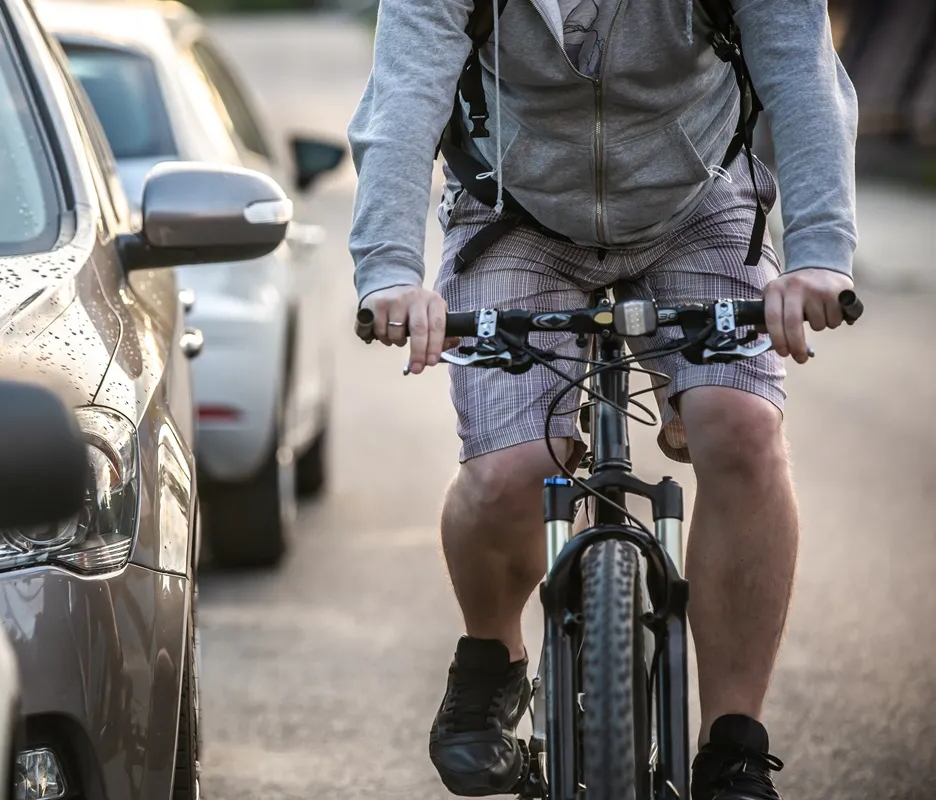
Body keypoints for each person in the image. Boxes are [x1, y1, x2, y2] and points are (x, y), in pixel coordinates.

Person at [347, 1, 857, 799]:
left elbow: (801, 70)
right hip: (512, 209)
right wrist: (388, 270)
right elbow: (405, 94)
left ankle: (734, 742)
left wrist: (822, 251)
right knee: (512, 474)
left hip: (699, 198)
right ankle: (494, 656)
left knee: (743, 430)